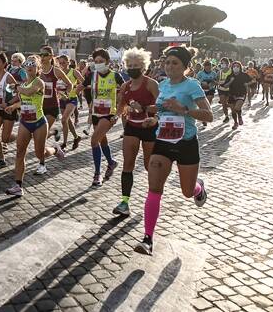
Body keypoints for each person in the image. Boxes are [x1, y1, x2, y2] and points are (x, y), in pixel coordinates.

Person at [134, 45, 213, 256]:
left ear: (185, 67)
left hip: (186, 143)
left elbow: (209, 115)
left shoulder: (192, 86)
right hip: (163, 142)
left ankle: (198, 188)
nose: (169, 66)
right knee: (154, 187)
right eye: (167, 62)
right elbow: (162, 111)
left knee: (187, 192)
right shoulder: (163, 85)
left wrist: (184, 110)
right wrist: (154, 119)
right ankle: (148, 239)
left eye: (174, 63)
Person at [6, 55, 65, 196]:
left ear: (37, 68)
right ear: (25, 67)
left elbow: (28, 92)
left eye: (33, 65)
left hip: (39, 123)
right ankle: (18, 186)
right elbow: (25, 100)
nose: (30, 67)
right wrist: (14, 106)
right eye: (28, 64)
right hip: (25, 122)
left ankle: (55, 150)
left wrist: (16, 87)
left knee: (40, 154)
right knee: (20, 153)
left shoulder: (39, 82)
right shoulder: (24, 84)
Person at [113, 48, 159, 215]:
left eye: (136, 65)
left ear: (143, 67)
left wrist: (148, 111)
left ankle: (152, 199)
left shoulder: (151, 84)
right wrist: (114, 117)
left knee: (149, 166)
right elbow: (121, 106)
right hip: (132, 127)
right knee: (128, 164)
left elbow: (161, 107)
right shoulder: (126, 86)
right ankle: (124, 203)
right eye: (129, 65)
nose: (132, 68)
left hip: (149, 128)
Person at [78, 48, 124, 187]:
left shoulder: (116, 76)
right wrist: (74, 90)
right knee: (102, 141)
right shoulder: (92, 76)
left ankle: (97, 174)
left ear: (108, 62)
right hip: (96, 114)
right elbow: (80, 87)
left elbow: (125, 91)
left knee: (93, 140)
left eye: (101, 61)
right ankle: (111, 162)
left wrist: (118, 113)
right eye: (96, 61)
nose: (98, 64)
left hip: (109, 114)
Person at [39, 46, 72, 145]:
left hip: (52, 106)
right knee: (39, 133)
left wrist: (65, 94)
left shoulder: (56, 71)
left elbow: (70, 84)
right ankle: (55, 131)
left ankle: (44, 154)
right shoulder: (38, 71)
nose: (42, 57)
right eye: (41, 55)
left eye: (45, 55)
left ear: (51, 57)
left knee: (42, 134)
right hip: (39, 106)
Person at [56, 54, 83, 150]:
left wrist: (75, 88)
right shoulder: (58, 72)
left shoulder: (74, 72)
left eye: (64, 62)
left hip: (71, 98)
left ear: (68, 62)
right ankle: (76, 137)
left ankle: (64, 143)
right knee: (67, 121)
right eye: (60, 63)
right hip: (61, 99)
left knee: (63, 120)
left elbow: (83, 82)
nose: (62, 64)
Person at [195, 60, 217, 127]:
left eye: (209, 66)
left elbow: (216, 81)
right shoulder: (200, 73)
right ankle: (204, 119)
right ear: (204, 66)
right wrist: (201, 82)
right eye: (206, 66)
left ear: (211, 67)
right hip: (202, 90)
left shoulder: (214, 73)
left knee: (208, 104)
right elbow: (196, 81)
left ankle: (204, 119)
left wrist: (212, 82)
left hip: (210, 90)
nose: (208, 68)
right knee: (202, 106)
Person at [216, 57, 233, 123]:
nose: (222, 64)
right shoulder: (219, 72)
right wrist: (218, 82)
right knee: (223, 104)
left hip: (229, 90)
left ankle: (233, 110)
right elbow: (217, 80)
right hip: (221, 89)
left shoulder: (231, 71)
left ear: (227, 63)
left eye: (224, 63)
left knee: (228, 103)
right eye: (221, 63)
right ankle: (226, 116)